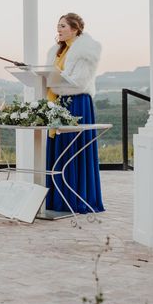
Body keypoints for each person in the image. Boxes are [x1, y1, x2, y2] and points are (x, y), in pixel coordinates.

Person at [45, 13, 104, 214]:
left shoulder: (86, 51)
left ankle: (77, 198)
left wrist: (53, 82)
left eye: (62, 26)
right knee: (59, 151)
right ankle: (58, 200)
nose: (58, 29)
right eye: (58, 26)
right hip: (58, 103)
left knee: (73, 151)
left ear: (75, 28)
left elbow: (78, 81)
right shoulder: (57, 51)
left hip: (77, 103)